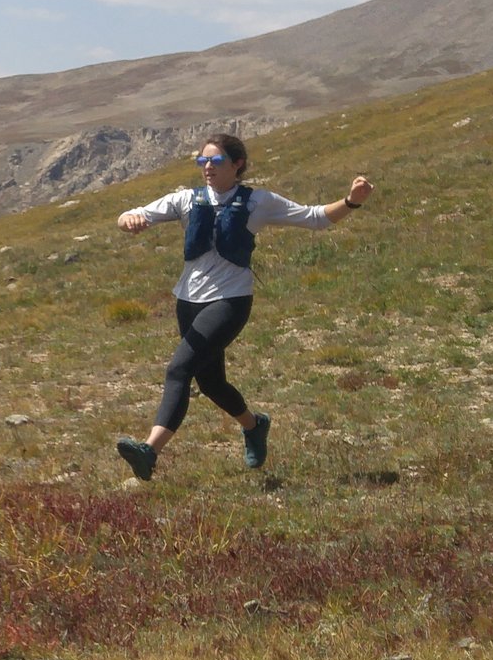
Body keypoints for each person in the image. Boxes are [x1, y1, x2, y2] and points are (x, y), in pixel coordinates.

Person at [112, 132, 373, 479]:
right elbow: (131, 214)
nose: (207, 167)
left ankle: (149, 450)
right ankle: (254, 425)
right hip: (188, 301)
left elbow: (315, 218)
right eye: (202, 161)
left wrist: (351, 202)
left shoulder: (257, 202)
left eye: (216, 161)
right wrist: (129, 220)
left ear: (238, 165)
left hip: (230, 300)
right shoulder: (187, 199)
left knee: (179, 369)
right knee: (211, 383)